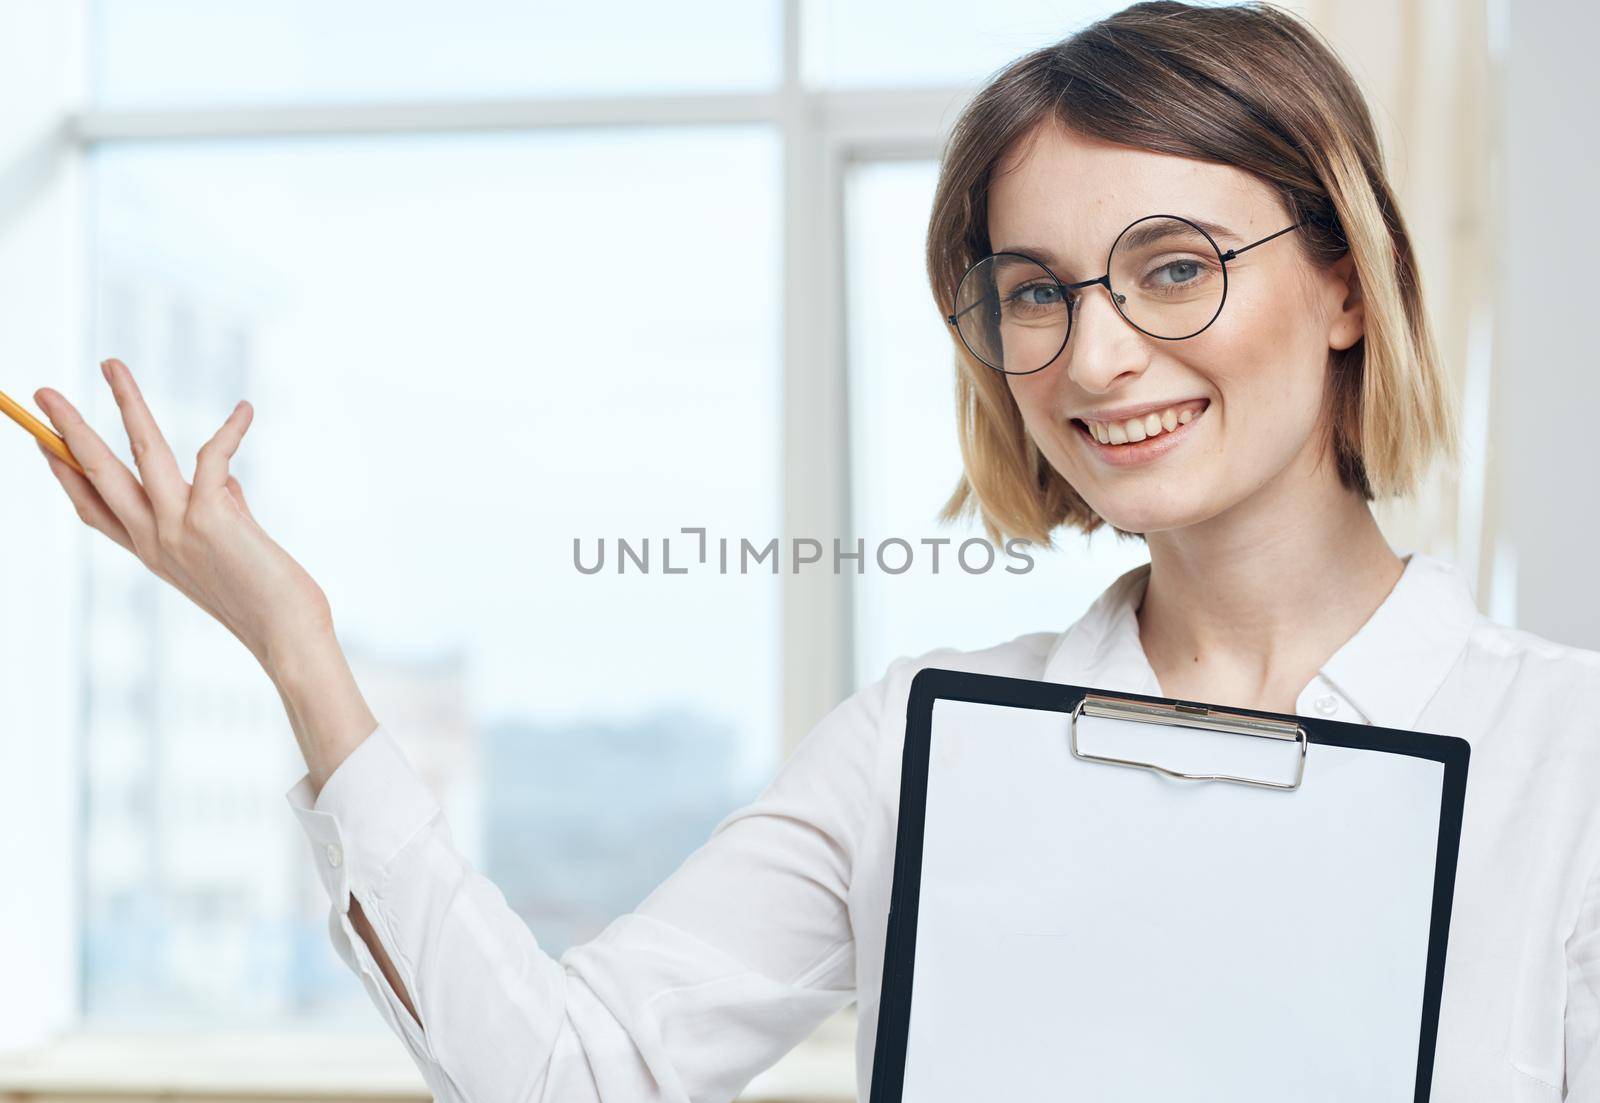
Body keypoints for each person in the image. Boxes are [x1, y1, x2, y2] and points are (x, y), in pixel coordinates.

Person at [30, 0, 1600, 1099]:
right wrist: (297, 647)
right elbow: (573, 1082)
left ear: (1343, 282)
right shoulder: (925, 749)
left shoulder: (1567, 765)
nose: (1099, 356)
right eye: (1037, 292)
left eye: (1174, 267)